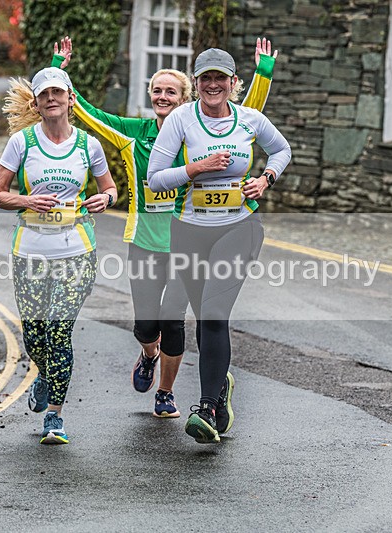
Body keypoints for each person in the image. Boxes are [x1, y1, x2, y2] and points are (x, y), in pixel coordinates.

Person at [52, 37, 277, 418]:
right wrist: (59, 70)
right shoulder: (133, 134)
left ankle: (167, 393)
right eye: (156, 90)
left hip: (185, 238)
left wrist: (264, 73)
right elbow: (85, 113)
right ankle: (147, 354)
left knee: (174, 321)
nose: (162, 96)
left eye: (170, 91)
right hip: (144, 240)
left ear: (184, 97)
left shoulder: (199, 128)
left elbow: (247, 114)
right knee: (146, 325)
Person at [147, 48, 292, 444]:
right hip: (190, 230)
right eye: (206, 78)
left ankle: (207, 408)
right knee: (202, 316)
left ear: (232, 83)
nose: (213, 85)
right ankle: (220, 384)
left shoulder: (249, 119)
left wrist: (266, 179)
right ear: (195, 84)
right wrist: (196, 169)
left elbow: (282, 149)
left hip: (239, 227)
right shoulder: (180, 119)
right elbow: (155, 178)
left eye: (221, 78)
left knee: (213, 313)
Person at [0, 67, 117, 445]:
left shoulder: (88, 146)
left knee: (59, 331)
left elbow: (109, 188)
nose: (51, 99)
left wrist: (105, 199)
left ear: (69, 99)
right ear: (36, 101)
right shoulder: (21, 142)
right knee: (35, 334)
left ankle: (54, 417)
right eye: (44, 94)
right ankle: (45, 374)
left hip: (76, 249)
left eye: (57, 93)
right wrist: (27, 200)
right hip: (30, 249)